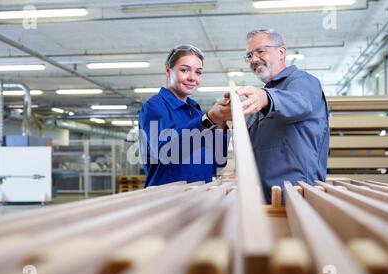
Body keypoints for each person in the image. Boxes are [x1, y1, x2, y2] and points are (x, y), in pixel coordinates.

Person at [234, 29, 330, 203]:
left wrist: (266, 98)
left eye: (260, 51)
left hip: (297, 196)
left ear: (281, 52)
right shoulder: (262, 98)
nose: (254, 59)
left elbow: (300, 102)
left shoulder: (302, 81)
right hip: (264, 197)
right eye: (249, 55)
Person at [139, 44, 231, 187]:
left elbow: (217, 163)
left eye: (198, 72)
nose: (192, 78)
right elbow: (167, 153)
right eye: (184, 70)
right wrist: (209, 119)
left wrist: (220, 122)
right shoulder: (155, 107)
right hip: (168, 199)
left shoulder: (196, 112)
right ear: (168, 71)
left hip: (199, 196)